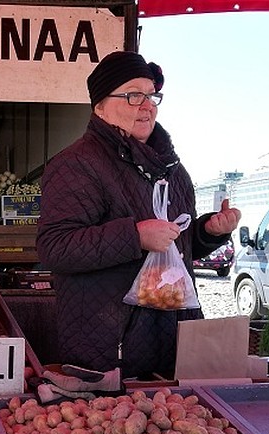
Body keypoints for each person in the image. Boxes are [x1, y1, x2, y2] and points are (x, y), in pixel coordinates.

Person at [36, 50, 240, 379]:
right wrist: (135, 236)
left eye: (151, 95)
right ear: (100, 104)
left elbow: (175, 247)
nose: (147, 105)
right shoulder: (76, 164)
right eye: (133, 95)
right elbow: (55, 246)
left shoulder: (174, 170)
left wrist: (207, 233)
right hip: (109, 351)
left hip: (175, 342)